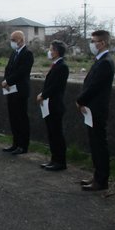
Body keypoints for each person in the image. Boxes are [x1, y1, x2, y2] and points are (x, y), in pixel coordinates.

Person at [76, 30, 115, 191]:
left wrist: (80, 100)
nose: (92, 44)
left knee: (99, 144)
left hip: (97, 109)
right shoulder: (100, 60)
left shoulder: (105, 62)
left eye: (94, 41)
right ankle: (97, 176)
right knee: (94, 143)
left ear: (103, 43)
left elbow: (95, 86)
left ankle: (101, 180)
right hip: (92, 109)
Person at [37, 40, 69, 171]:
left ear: (56, 51)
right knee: (51, 133)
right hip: (49, 105)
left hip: (55, 105)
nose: (49, 52)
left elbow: (56, 86)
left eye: (51, 49)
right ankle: (54, 159)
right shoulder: (55, 65)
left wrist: (43, 95)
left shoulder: (62, 66)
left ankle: (60, 161)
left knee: (57, 134)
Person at [1, 31, 34, 155]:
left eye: (14, 40)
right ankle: (15, 143)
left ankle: (23, 145)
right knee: (13, 118)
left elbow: (22, 72)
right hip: (10, 90)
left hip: (20, 91)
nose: (12, 42)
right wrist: (6, 81)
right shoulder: (14, 53)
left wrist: (8, 80)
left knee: (21, 118)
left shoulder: (27, 54)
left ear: (20, 40)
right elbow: (8, 68)